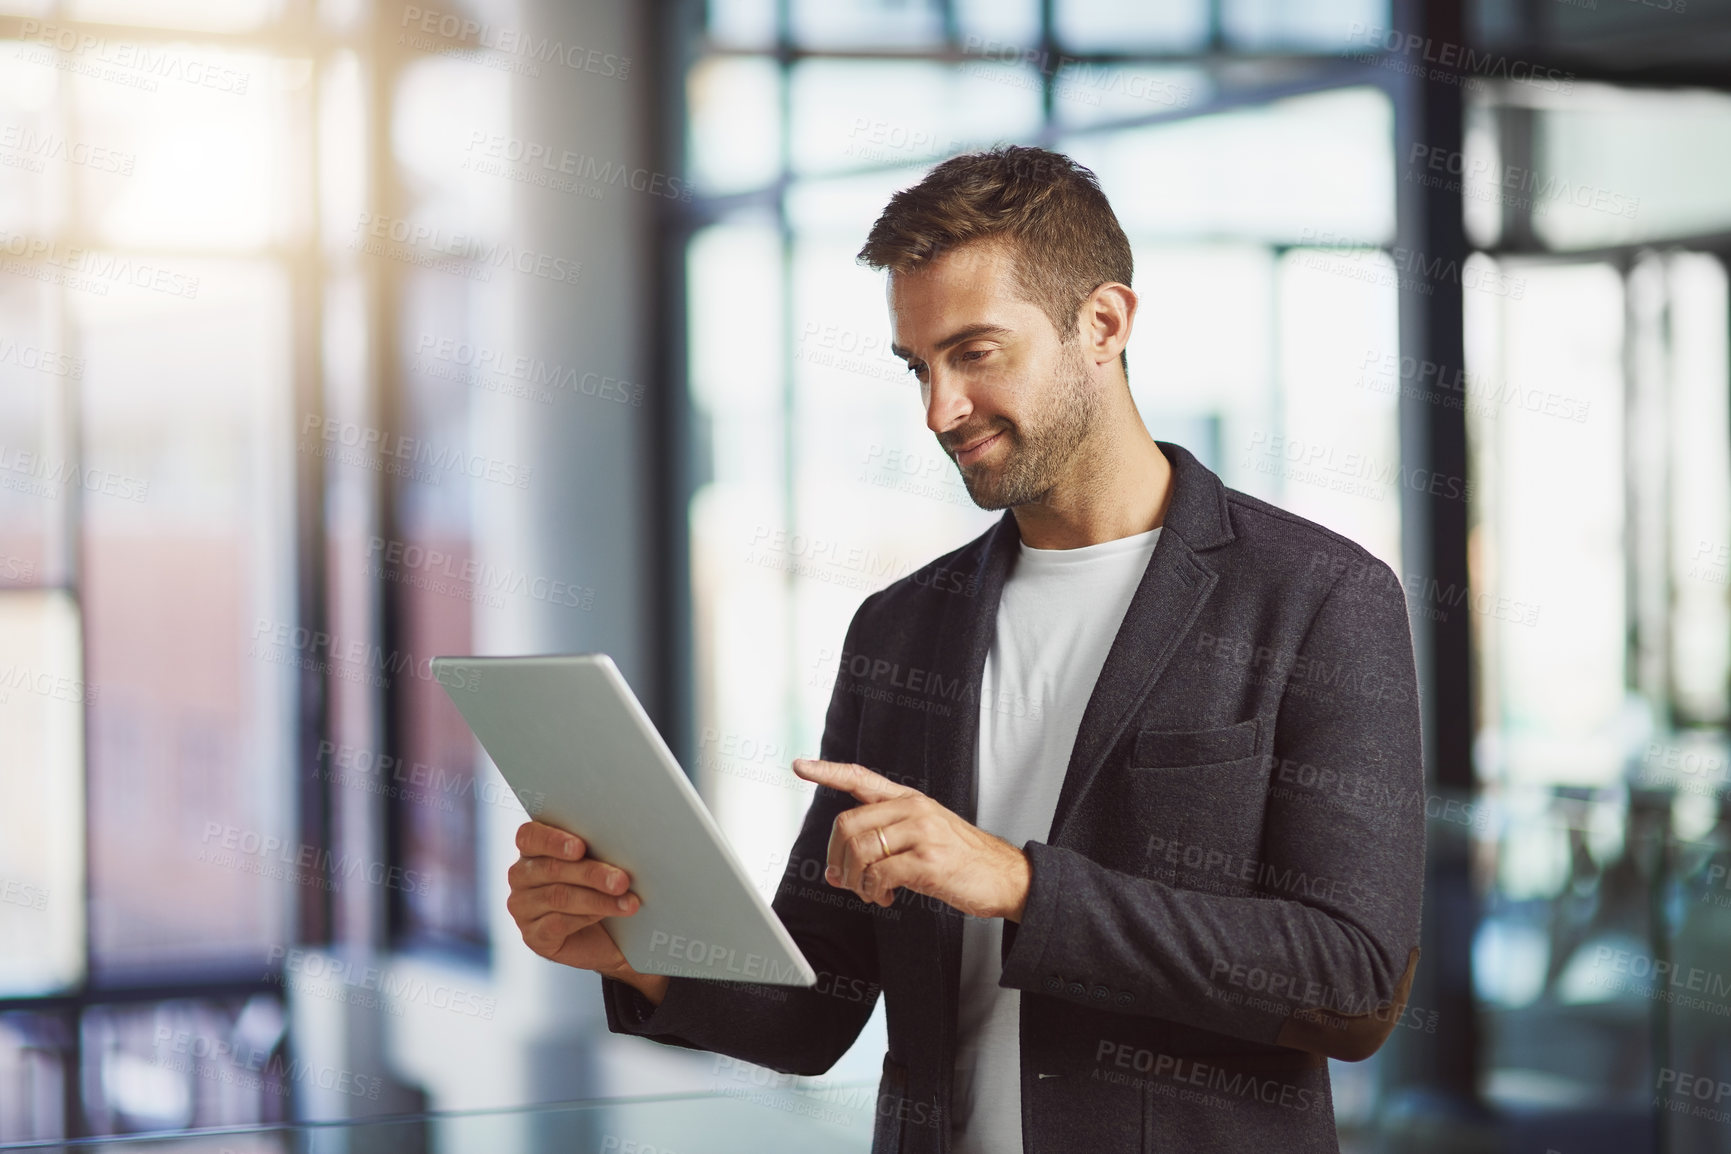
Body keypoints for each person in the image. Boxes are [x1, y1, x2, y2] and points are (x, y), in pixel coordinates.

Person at [506, 145, 1425, 1153]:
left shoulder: (1319, 597)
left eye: (975, 353)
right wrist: (642, 953)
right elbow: (820, 1001)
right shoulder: (903, 628)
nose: (939, 409)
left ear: (1104, 323)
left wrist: (1021, 885)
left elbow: (1352, 979)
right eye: (919, 366)